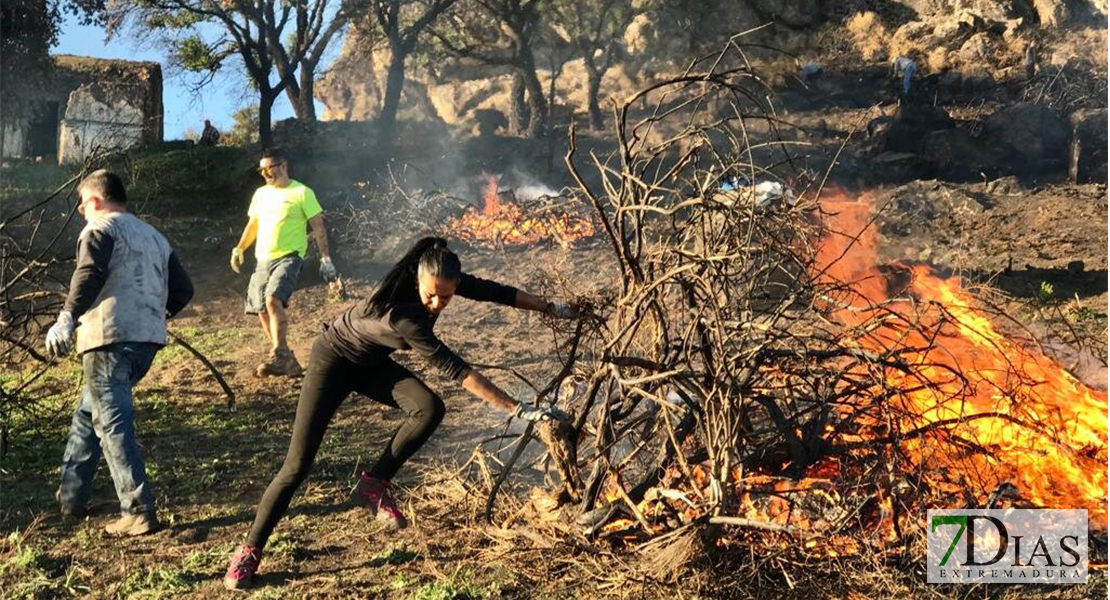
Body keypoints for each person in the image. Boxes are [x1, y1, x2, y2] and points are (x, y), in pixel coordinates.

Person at [223, 237, 576, 590]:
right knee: (297, 465)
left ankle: (373, 484)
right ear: (418, 279)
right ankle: (250, 550)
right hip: (332, 362)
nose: (437, 304)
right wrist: (518, 408)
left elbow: (493, 291)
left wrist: (549, 307)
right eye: (431, 296)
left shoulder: (438, 276)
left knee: (429, 408)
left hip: (371, 363)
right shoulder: (405, 316)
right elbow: (458, 371)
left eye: (447, 297)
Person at [46, 169, 194, 536]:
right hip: (146, 341)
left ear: (94, 200)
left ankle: (137, 508)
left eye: (82, 205)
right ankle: (71, 497)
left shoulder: (99, 228)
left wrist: (67, 317)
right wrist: (154, 314)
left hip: (108, 337)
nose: (81, 211)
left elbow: (90, 272)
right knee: (88, 414)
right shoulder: (155, 237)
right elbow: (184, 289)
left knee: (111, 422)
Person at [230, 147, 337, 377]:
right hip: (263, 258)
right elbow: (253, 225)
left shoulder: (302, 192)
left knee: (272, 299)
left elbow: (318, 226)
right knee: (260, 308)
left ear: (283, 166)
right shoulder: (261, 194)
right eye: (262, 170)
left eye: (270, 168)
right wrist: (239, 248)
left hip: (289, 256)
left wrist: (325, 258)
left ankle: (279, 355)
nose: (266, 173)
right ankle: (286, 358)